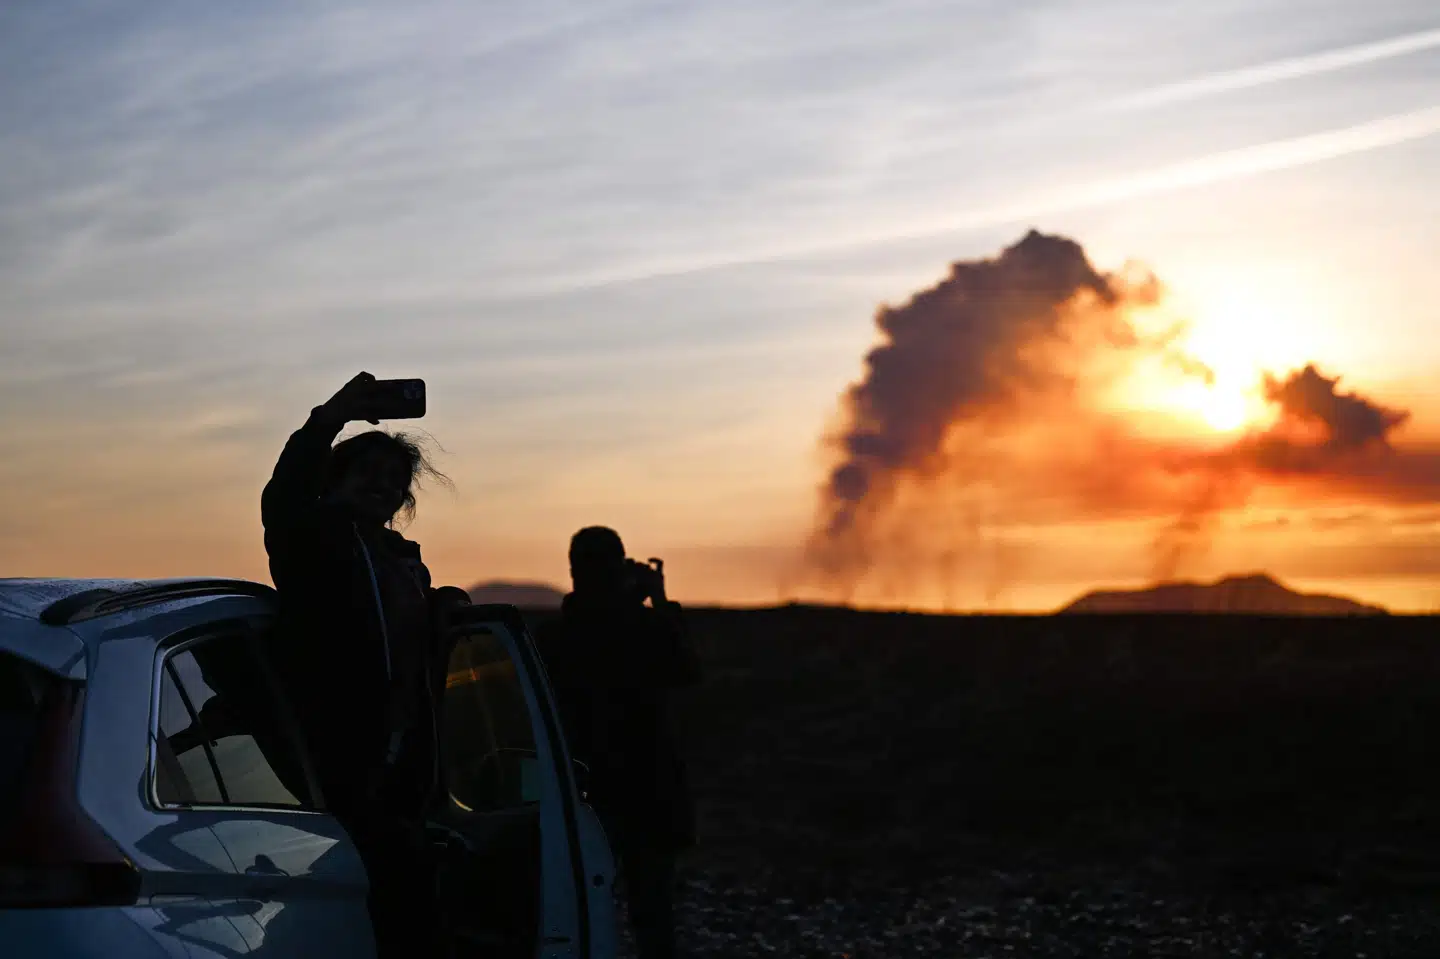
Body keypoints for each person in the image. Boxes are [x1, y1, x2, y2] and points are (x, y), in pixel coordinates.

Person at [260, 371, 470, 958]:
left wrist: (442, 611)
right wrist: (331, 417)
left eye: (394, 481)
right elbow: (284, 497)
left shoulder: (399, 563)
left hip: (400, 774)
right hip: (341, 774)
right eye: (367, 475)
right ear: (335, 481)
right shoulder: (316, 542)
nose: (382, 487)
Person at [536, 527, 702, 959]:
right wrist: (657, 600)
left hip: (585, 786)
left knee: (584, 906)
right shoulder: (643, 627)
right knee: (652, 911)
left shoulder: (553, 635)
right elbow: (685, 670)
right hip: (647, 785)